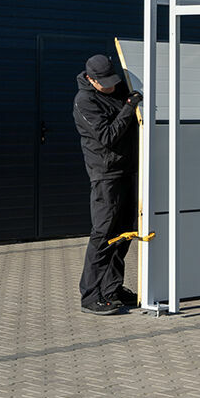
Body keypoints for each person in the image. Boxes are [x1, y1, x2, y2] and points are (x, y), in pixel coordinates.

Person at [73, 54, 143, 315]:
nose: (111, 86)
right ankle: (90, 295)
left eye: (112, 80)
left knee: (123, 232)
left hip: (128, 170)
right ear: (90, 79)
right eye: (104, 83)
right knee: (103, 233)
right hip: (105, 175)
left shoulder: (119, 88)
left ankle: (113, 288)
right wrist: (129, 107)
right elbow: (108, 136)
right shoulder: (85, 101)